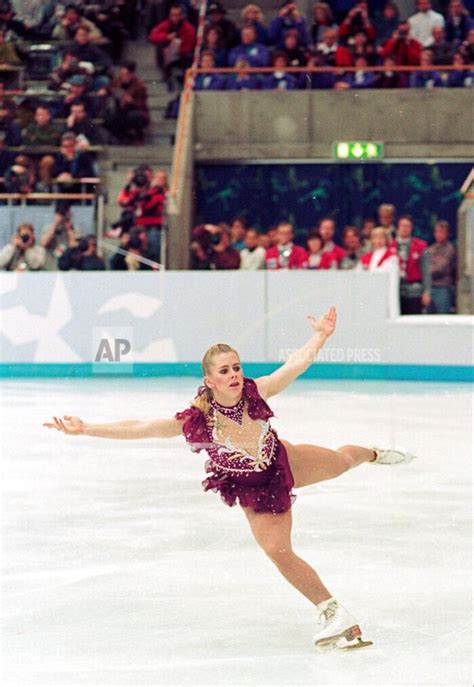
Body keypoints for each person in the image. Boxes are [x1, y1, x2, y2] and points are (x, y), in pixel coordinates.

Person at [43, 307, 418, 651]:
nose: (234, 375)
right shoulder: (197, 420)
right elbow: (143, 427)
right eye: (224, 371)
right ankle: (335, 614)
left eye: (236, 367)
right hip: (254, 489)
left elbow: (293, 366)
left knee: (340, 460)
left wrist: (321, 335)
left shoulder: (256, 393)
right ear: (209, 379)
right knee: (277, 550)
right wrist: (87, 428)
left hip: (283, 460)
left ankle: (371, 453)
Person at [391, 215, 431, 315]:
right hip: (395, 291)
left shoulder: (421, 246)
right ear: (397, 227)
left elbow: (426, 271)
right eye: (402, 226)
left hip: (415, 291)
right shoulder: (389, 246)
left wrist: (427, 292)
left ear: (411, 228)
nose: (405, 229)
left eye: (408, 226)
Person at [426, 220, 457, 313]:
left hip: (443, 288)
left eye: (442, 232)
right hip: (430, 288)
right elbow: (424, 265)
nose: (439, 234)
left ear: (447, 234)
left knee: (442, 317)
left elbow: (441, 267)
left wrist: (427, 272)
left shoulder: (450, 249)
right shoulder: (430, 249)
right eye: (437, 231)